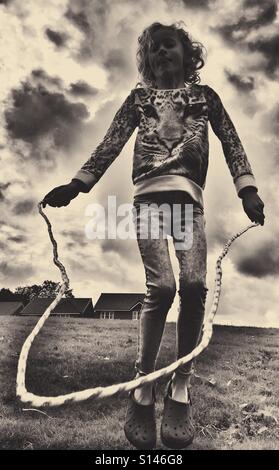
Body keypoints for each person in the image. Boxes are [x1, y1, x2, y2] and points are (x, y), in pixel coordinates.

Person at [42, 21, 265, 449]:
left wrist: (247, 189)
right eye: (154, 48)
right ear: (147, 59)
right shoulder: (138, 99)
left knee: (195, 285)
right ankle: (143, 383)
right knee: (161, 287)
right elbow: (111, 141)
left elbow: (232, 139)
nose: (163, 53)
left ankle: (179, 383)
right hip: (147, 201)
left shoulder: (205, 97)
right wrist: (77, 183)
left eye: (171, 45)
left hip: (188, 204)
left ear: (187, 53)